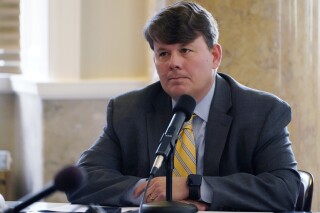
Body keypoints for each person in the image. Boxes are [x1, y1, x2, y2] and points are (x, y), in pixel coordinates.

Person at [67, 1, 300, 211]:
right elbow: (81, 180)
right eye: (164, 53)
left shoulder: (261, 112)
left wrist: (194, 187)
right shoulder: (128, 110)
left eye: (185, 50)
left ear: (215, 56)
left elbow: (286, 189)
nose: (174, 63)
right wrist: (149, 190)